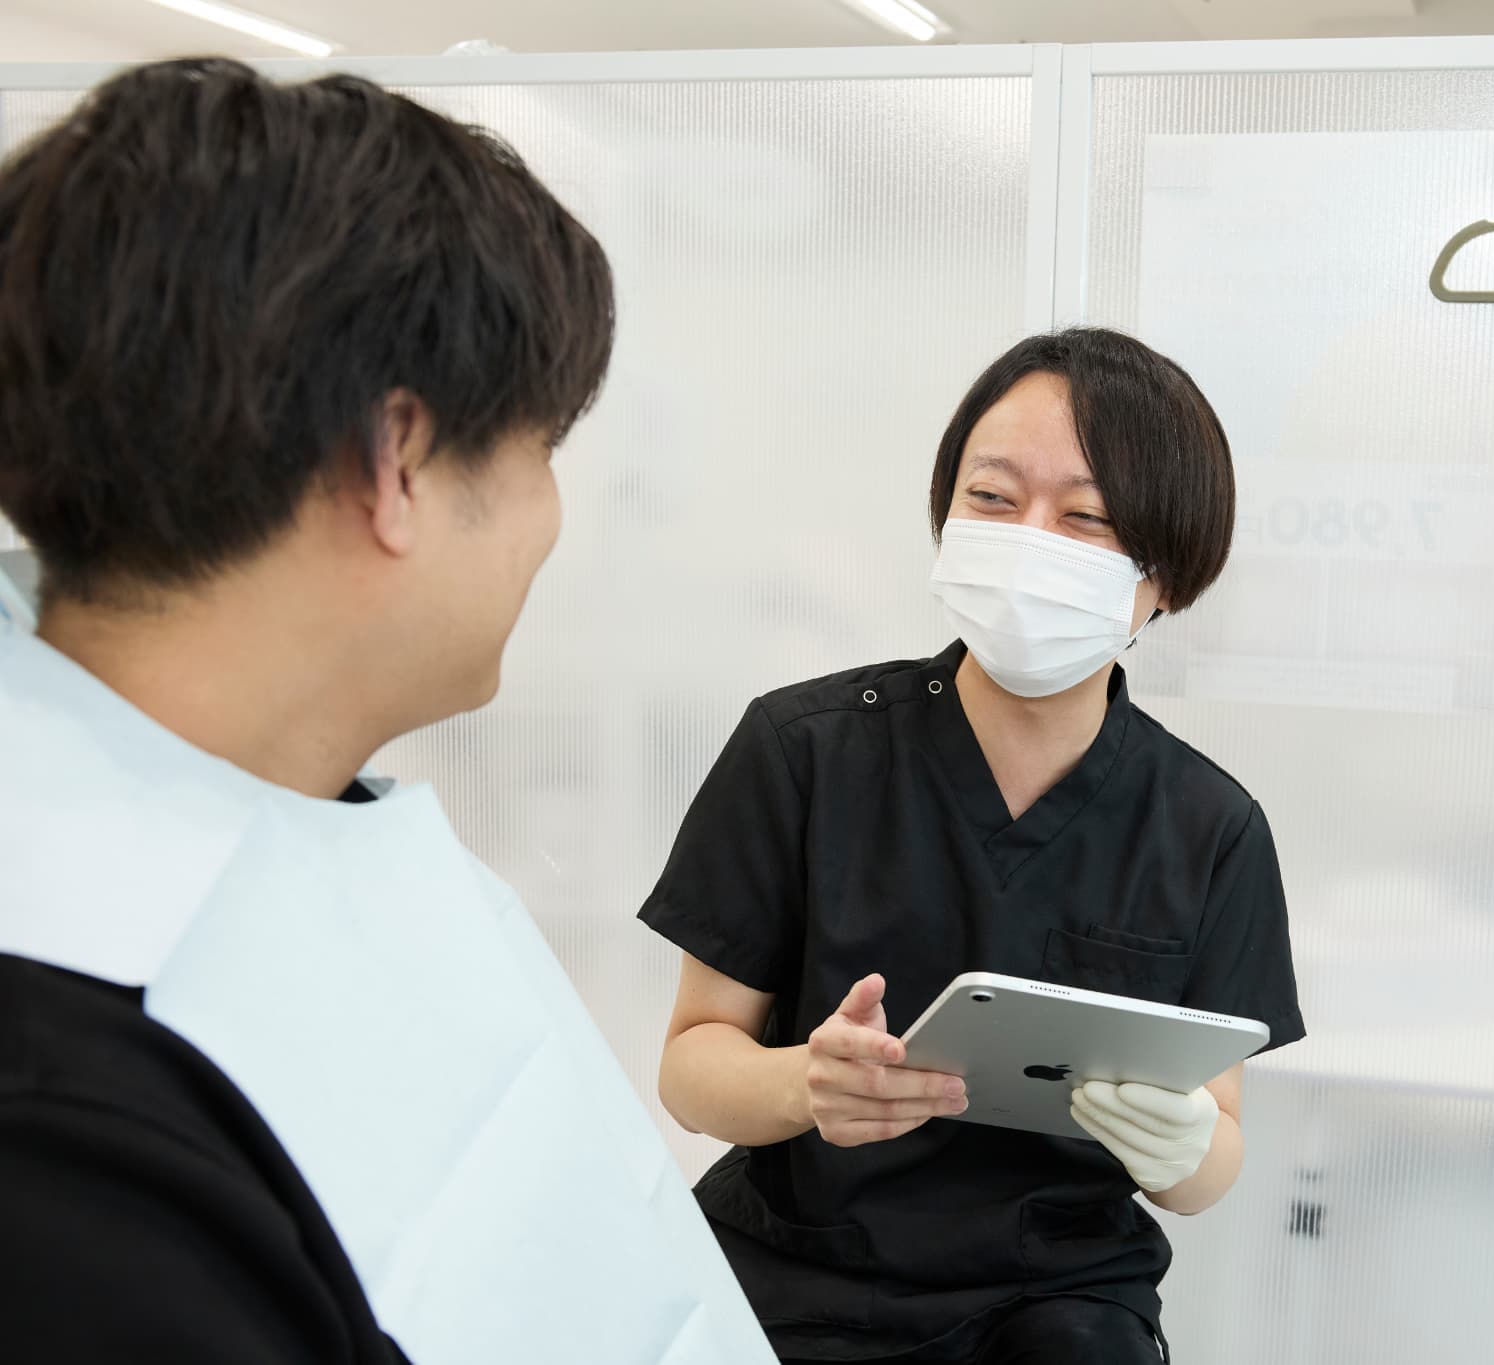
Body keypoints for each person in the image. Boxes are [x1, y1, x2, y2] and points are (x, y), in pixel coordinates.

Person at [0, 60, 768, 1363]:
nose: (552, 519)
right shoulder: (71, 1125)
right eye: (540, 450)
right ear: (396, 458)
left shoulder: (296, 811)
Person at [641, 327, 1306, 1364]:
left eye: (1084, 517)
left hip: (1058, 1299)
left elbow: (1210, 1161)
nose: (1029, 541)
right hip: (795, 1271)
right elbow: (691, 1066)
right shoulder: (803, 750)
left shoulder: (1209, 829)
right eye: (991, 498)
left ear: (1166, 577)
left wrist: (1183, 1147)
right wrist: (804, 1085)